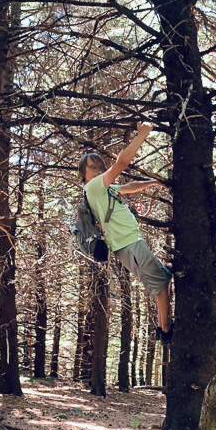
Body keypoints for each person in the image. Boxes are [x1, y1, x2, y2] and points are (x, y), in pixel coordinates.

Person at [77, 122, 173, 345]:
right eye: (93, 167)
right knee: (160, 285)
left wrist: (155, 182)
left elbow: (130, 186)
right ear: (83, 173)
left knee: (164, 279)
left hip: (131, 242)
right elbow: (121, 163)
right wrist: (142, 135)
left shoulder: (105, 188)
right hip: (127, 244)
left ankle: (163, 327)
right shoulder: (92, 188)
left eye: (100, 166)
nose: (99, 170)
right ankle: (166, 331)